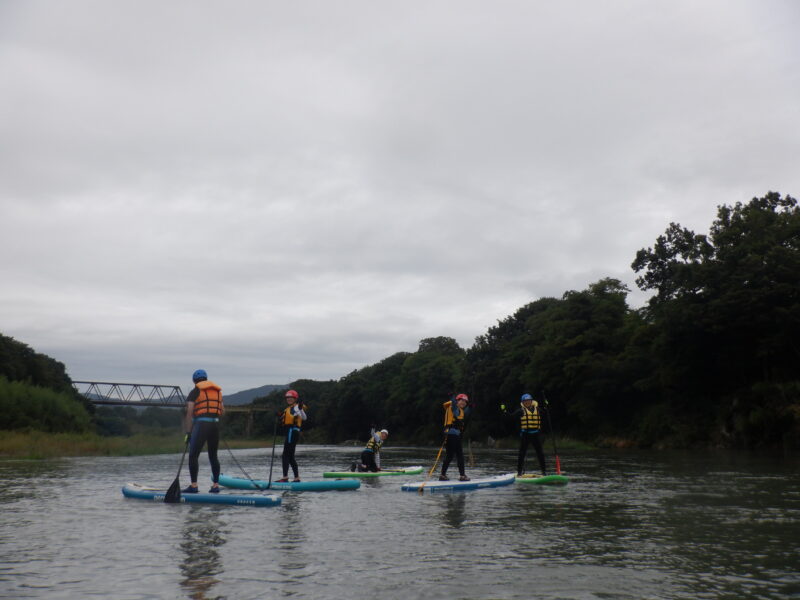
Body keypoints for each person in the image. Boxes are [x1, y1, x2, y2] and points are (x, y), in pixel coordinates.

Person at [182, 369, 224, 493]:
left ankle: (194, 486)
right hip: (214, 425)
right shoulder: (217, 392)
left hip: (201, 425)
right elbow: (223, 410)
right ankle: (215, 486)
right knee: (213, 456)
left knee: (193, 456)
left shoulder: (195, 391)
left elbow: (189, 412)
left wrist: (188, 432)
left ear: (194, 381)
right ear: (206, 379)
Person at [502, 393, 546, 476]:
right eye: (525, 401)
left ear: (532, 401)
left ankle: (544, 472)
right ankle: (519, 473)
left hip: (536, 435)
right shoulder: (520, 411)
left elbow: (546, 411)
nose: (527, 403)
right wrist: (504, 411)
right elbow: (511, 417)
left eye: (529, 401)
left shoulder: (538, 409)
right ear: (523, 402)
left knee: (540, 453)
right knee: (522, 454)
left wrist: (546, 405)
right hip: (525, 435)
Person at [440, 393, 471, 481]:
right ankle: (462, 475)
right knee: (458, 455)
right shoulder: (452, 407)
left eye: (465, 402)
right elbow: (454, 403)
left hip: (455, 435)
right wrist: (452, 396)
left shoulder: (460, 410)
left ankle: (443, 475)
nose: (463, 403)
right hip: (450, 434)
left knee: (451, 455)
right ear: (457, 401)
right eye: (461, 401)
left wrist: (471, 407)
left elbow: (465, 413)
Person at [277, 389, 306, 482]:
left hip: (292, 432)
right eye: (287, 397)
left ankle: (285, 477)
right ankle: (296, 478)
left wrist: (300, 410)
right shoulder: (287, 409)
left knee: (285, 455)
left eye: (291, 397)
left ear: (295, 398)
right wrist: (279, 417)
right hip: (291, 432)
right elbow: (284, 420)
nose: (289, 399)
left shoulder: (297, 407)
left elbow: (304, 417)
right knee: (290, 456)